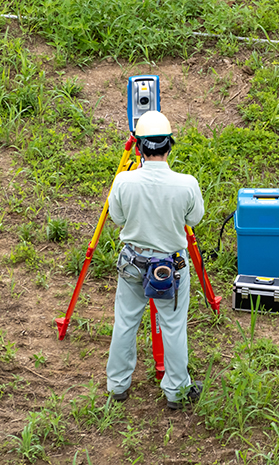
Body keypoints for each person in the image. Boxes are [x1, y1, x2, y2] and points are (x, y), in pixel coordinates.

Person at [105, 111, 205, 409]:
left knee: (125, 322)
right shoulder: (187, 183)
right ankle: (176, 391)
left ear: (139, 148)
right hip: (170, 268)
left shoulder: (123, 182)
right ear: (169, 146)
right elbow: (194, 218)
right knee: (173, 326)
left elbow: (118, 218)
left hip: (133, 263)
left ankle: (118, 385)